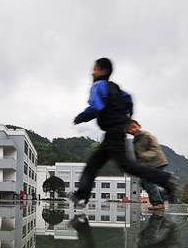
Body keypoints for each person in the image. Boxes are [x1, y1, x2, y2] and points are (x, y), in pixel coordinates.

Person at [71, 58, 179, 207]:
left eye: (95, 69)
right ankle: (81, 196)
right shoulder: (115, 88)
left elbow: (96, 106)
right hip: (115, 132)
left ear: (103, 71)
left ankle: (166, 179)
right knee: (94, 164)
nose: (92, 72)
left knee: (125, 165)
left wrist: (81, 117)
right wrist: (127, 116)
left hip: (113, 133)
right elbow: (129, 99)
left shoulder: (98, 85)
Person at [126, 120, 169, 209]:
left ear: (139, 126)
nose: (133, 130)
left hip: (157, 162)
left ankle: (158, 203)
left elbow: (155, 149)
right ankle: (162, 196)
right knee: (143, 182)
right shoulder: (135, 141)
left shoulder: (147, 135)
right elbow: (138, 157)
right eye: (130, 129)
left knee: (149, 182)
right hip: (148, 165)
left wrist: (146, 155)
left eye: (134, 127)